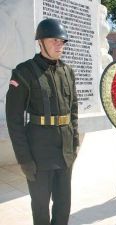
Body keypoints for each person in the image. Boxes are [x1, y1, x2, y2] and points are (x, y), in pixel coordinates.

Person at [6, 18, 79, 225]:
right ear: (40, 42)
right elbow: (14, 120)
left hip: (65, 150)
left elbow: (73, 111)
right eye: (54, 40)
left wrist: (74, 144)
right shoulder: (24, 72)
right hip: (38, 153)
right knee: (40, 208)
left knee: (63, 205)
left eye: (62, 41)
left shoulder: (67, 72)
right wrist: (24, 159)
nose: (59, 44)